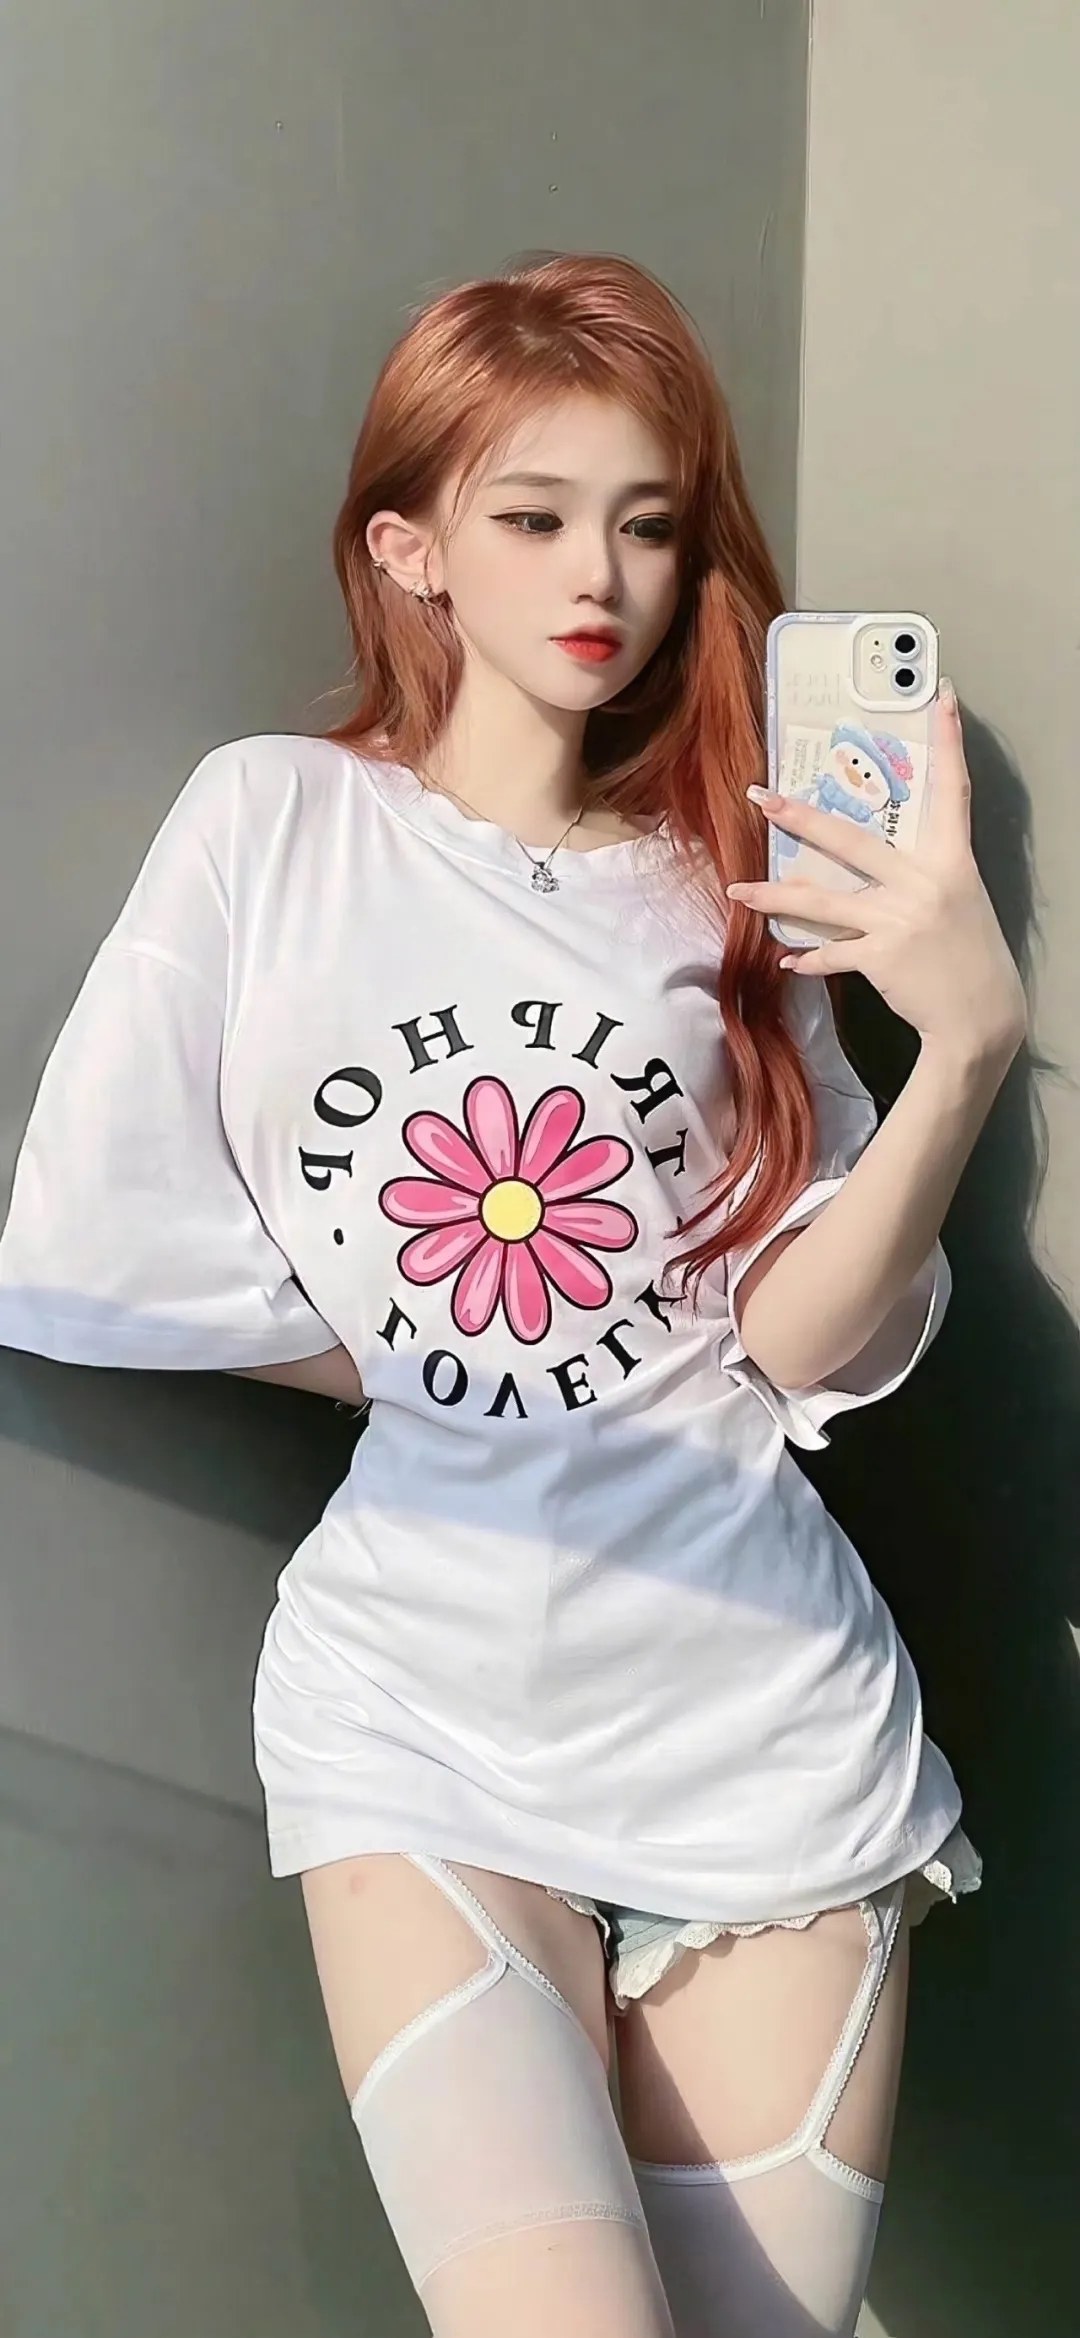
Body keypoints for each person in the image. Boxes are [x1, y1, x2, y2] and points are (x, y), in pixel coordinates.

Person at [0, 252, 1026, 2338]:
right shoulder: (276, 821)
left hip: (772, 1735)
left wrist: (968, 1048)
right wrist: (428, 1355)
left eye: (647, 524)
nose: (600, 576)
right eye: (535, 515)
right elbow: (83, 1231)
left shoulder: (721, 883)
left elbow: (795, 1338)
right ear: (413, 548)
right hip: (423, 1716)